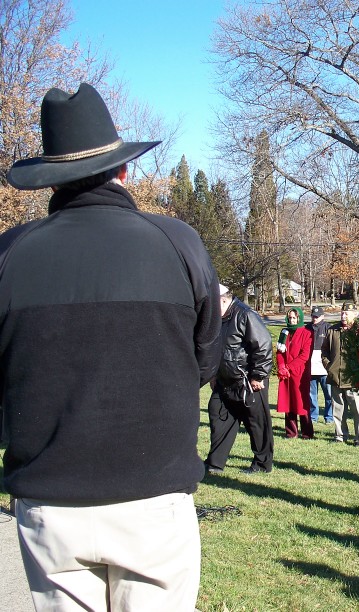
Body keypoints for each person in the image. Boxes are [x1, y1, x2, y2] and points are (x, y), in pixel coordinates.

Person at [1, 83, 222, 609]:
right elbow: (205, 357)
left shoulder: (10, 253)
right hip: (151, 500)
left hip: (50, 502)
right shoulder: (177, 242)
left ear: (50, 178)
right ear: (123, 171)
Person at [204, 285, 274, 474]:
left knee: (256, 424)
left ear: (223, 300)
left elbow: (263, 345)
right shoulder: (216, 320)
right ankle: (215, 463)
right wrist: (213, 375)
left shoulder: (245, 315)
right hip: (224, 382)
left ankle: (262, 464)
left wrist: (258, 375)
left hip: (249, 382)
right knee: (218, 417)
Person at [322, 302, 359, 446]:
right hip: (336, 376)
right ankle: (340, 435)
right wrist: (328, 366)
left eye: (347, 313)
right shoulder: (333, 330)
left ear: (355, 315)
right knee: (338, 409)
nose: (343, 315)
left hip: (354, 378)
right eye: (342, 313)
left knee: (357, 411)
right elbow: (324, 352)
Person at [276, 307, 315, 439]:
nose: (292, 320)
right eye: (290, 318)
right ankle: (291, 432)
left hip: (299, 373)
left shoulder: (307, 333)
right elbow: (279, 351)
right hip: (285, 374)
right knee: (288, 402)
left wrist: (289, 367)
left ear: (299, 318)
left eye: (294, 318)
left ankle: (307, 432)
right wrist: (281, 366)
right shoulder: (284, 332)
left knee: (301, 402)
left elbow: (305, 356)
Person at [307, 306, 333, 424]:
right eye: (313, 316)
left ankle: (329, 417)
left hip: (324, 369)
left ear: (323, 316)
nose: (315, 318)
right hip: (310, 369)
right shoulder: (307, 328)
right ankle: (313, 417)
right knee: (312, 396)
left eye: (317, 316)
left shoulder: (328, 328)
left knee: (329, 395)